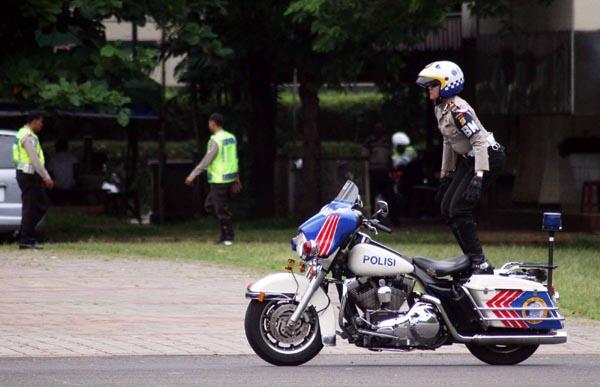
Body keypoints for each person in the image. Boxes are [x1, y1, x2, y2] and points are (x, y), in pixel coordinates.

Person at [416, 61, 505, 275]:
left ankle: (479, 262)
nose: (428, 89)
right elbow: (449, 141)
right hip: (469, 159)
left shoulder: (459, 111)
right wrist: (445, 175)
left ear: (447, 85)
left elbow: (479, 141)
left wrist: (479, 176)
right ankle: (470, 259)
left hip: (487, 157)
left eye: (432, 85)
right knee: (447, 207)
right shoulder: (441, 108)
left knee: (460, 208)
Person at [185, 113, 241, 245]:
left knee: (220, 209)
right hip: (229, 177)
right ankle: (224, 233)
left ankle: (228, 237)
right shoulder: (231, 138)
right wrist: (237, 177)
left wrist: (193, 175)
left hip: (219, 179)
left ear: (213, 123)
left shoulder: (215, 140)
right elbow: (234, 158)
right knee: (210, 205)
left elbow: (206, 160)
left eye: (209, 123)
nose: (209, 125)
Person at [12, 112, 54, 249]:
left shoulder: (21, 133)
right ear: (34, 121)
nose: (42, 125)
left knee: (40, 205)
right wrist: (46, 176)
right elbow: (34, 160)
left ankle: (24, 232)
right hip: (28, 175)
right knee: (31, 208)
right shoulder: (28, 137)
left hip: (27, 175)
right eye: (40, 122)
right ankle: (26, 240)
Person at [364, 122, 392, 212]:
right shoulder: (369, 142)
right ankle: (372, 214)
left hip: (384, 170)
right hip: (373, 170)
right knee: (373, 194)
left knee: (389, 194)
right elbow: (365, 156)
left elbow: (390, 156)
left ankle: (393, 217)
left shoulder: (386, 141)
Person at [47, 138, 78, 205]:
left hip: (57, 187)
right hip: (71, 186)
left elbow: (50, 174)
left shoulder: (53, 159)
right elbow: (76, 172)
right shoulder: (72, 157)